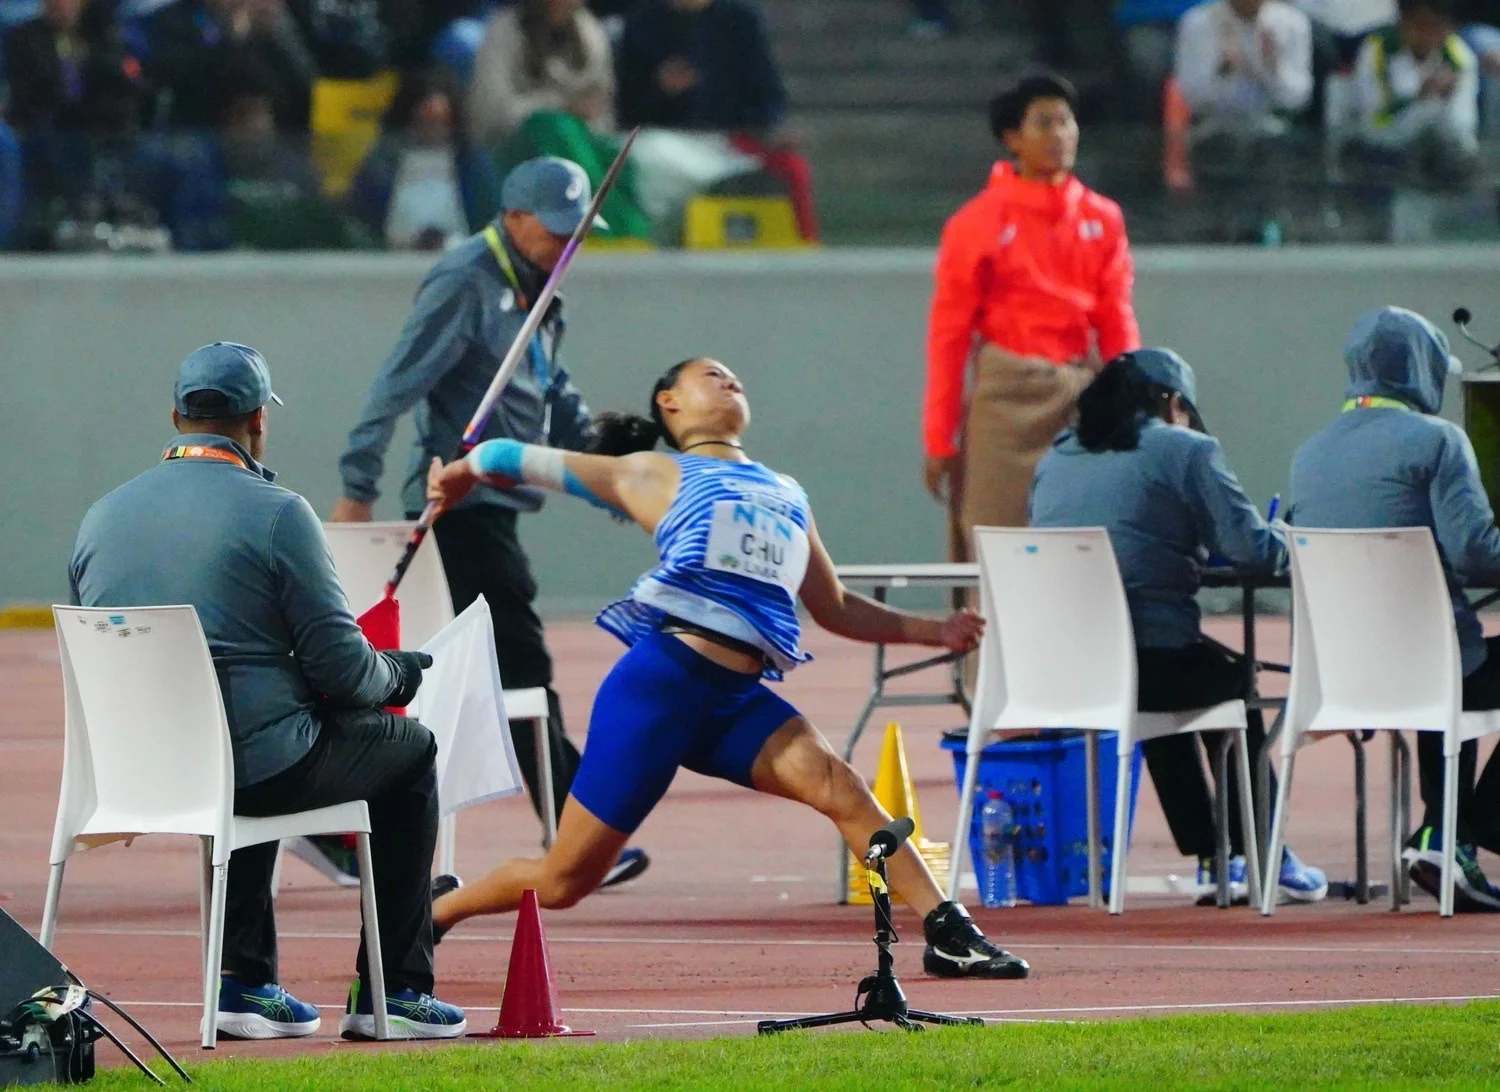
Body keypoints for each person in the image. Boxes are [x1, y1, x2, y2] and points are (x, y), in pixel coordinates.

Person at [423, 357, 1030, 980]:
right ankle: (437, 910)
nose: (728, 378)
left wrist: (938, 630)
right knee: (563, 881)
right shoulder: (653, 474)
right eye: (709, 374)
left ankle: (948, 931)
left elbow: (837, 606)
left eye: (734, 373)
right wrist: (466, 474)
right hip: (662, 686)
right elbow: (504, 453)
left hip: (736, 699)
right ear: (670, 404)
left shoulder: (786, 492)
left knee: (842, 788)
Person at [69, 343, 466, 1040]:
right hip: (248, 769)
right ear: (260, 420)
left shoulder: (99, 518)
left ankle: (245, 982)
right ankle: (394, 993)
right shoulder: (278, 513)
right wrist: (399, 672)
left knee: (249, 724)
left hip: (137, 773)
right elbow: (344, 673)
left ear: (176, 415)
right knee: (407, 748)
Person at [333, 156, 651, 891]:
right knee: (522, 673)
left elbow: (551, 393)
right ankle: (577, 834)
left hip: (496, 510)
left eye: (579, 235)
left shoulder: (537, 292)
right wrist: (358, 486)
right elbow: (397, 382)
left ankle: (344, 827)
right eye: (557, 231)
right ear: (513, 216)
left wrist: (610, 483)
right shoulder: (466, 280)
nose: (569, 246)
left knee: (475, 682)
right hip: (459, 507)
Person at [1029, 350, 1328, 905]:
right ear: (1171, 402)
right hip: (1153, 663)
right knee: (1229, 682)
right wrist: (1291, 536)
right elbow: (1249, 549)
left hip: (1069, 672)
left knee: (1170, 684)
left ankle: (1215, 855)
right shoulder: (1184, 448)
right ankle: (1265, 854)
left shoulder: (1056, 460)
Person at [1290, 305, 1500, 911]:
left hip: (1348, 673)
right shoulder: (1439, 440)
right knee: (1457, 657)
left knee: (1446, 657)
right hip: (1436, 666)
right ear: (1423, 370)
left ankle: (1445, 834)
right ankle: (1459, 830)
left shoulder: (1310, 453)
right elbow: (1478, 555)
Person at [925, 71, 1139, 563]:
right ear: (1013, 139)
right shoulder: (975, 223)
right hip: (1005, 397)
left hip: (1082, 393)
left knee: (1087, 536)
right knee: (993, 536)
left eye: (1066, 122)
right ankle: (988, 642)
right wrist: (940, 436)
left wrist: (1133, 401)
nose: (1060, 135)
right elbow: (949, 337)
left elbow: (1115, 317)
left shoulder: (1103, 217)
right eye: (1044, 123)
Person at [615, 0, 818, 241]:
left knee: (792, 167)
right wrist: (660, 89)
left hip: (732, 140)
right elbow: (626, 108)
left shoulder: (740, 19)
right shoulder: (642, 24)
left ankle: (804, 248)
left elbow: (767, 95)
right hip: (664, 141)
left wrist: (769, 128)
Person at [347, 69, 503, 251]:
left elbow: (490, 224)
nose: (433, 130)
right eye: (426, 122)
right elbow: (362, 223)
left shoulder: (473, 166)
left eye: (441, 122)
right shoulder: (382, 165)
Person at [1347, 0, 1481, 189]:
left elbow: (1463, 127)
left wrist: (1449, 99)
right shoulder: (1377, 51)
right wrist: (1419, 99)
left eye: (1436, 26)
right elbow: (1373, 124)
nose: (1427, 35)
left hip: (1439, 150)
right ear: (1401, 23)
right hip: (1384, 149)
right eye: (1419, 25)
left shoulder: (1460, 58)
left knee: (1462, 158)